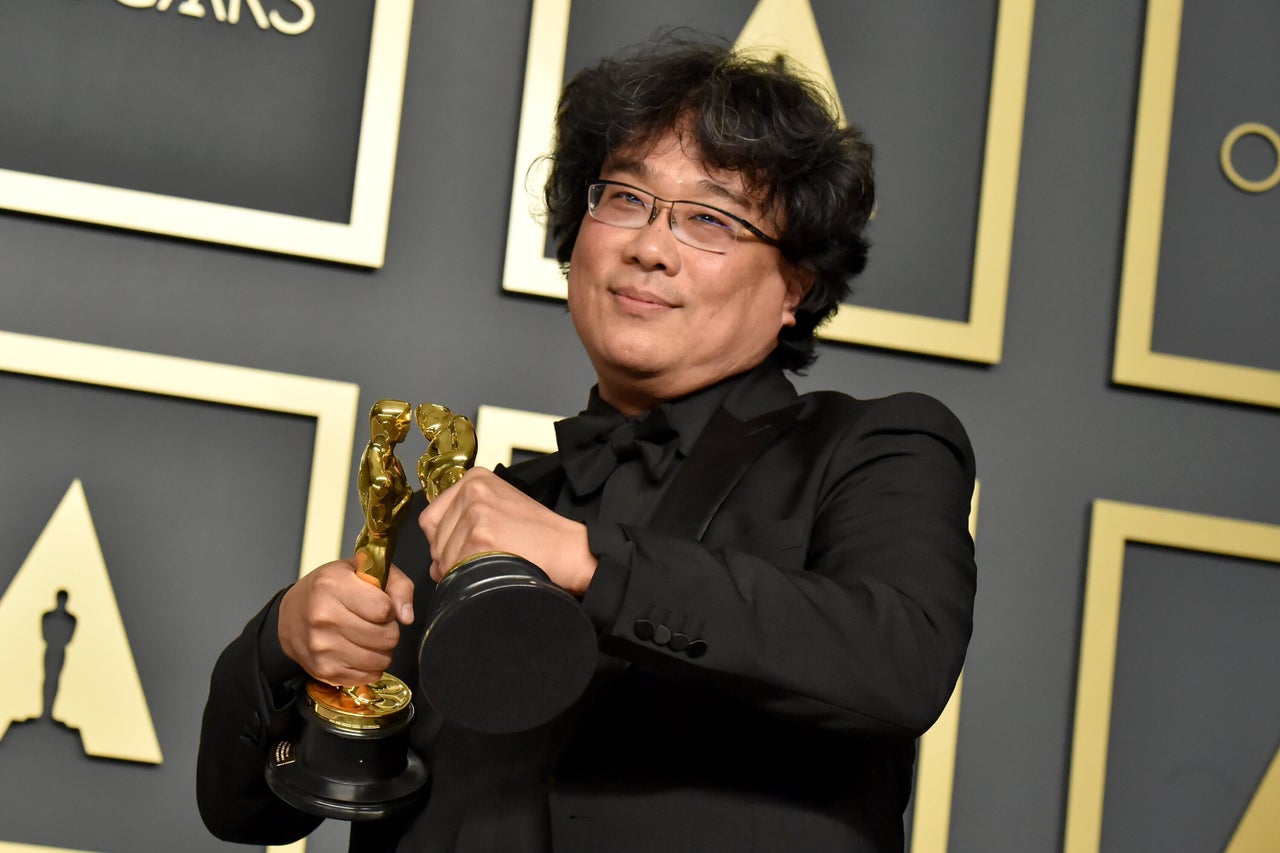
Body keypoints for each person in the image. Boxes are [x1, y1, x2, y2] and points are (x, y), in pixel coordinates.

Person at [197, 37, 976, 853]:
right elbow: (247, 812)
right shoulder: (464, 513)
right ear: (577, 236)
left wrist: (589, 562)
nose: (650, 246)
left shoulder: (874, 445)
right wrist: (282, 642)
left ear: (797, 285)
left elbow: (901, 659)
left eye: (710, 218)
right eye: (625, 199)